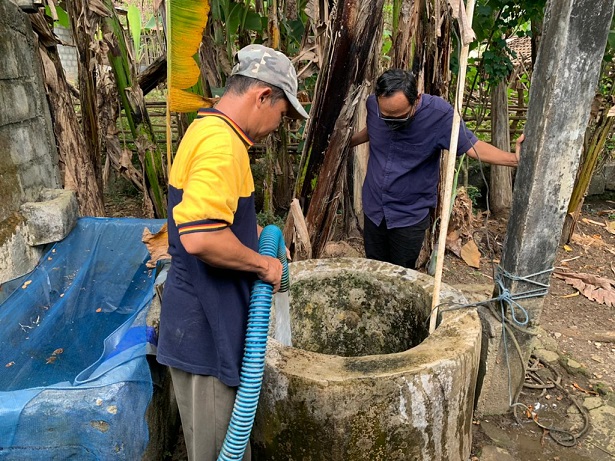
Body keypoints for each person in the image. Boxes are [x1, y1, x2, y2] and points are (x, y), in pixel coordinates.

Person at [156, 44, 309, 461]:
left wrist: (257, 233)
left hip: (200, 319)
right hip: (206, 330)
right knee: (219, 450)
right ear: (263, 96)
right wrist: (264, 264)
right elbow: (202, 237)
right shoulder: (222, 146)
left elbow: (210, 216)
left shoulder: (207, 129)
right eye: (282, 114)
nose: (278, 126)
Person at [350, 68, 524, 269]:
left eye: (399, 117)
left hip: (408, 214)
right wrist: (345, 142)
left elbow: (472, 146)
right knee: (374, 267)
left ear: (417, 99)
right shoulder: (373, 104)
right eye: (386, 116)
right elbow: (373, 129)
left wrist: (514, 159)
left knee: (400, 273)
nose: (392, 123)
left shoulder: (439, 115)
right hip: (374, 208)